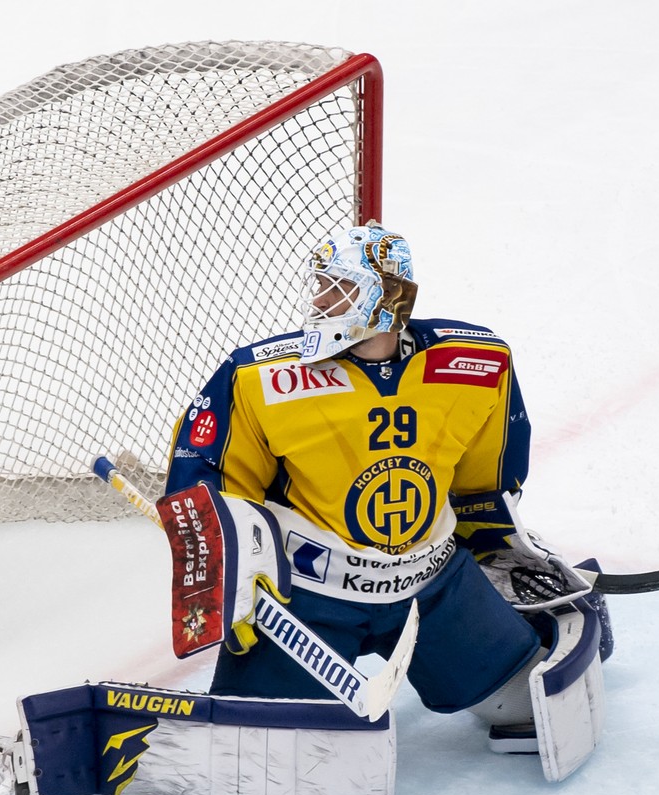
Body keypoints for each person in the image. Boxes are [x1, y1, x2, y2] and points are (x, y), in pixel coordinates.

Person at [163, 221, 606, 748]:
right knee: (264, 741)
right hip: (308, 595)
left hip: (434, 583)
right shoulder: (259, 378)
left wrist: (493, 544)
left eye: (341, 287)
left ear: (388, 296)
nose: (321, 299)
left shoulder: (477, 364)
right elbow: (209, 483)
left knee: (519, 704)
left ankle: (534, 621)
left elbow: (485, 479)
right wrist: (227, 575)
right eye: (321, 283)